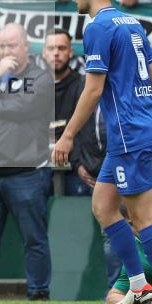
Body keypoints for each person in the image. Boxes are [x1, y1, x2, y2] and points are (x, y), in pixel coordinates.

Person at [52, 0, 152, 304]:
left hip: (128, 133)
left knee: (143, 217)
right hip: (137, 129)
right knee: (104, 206)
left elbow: (92, 91)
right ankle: (140, 288)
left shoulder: (97, 27)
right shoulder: (131, 22)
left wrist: (67, 136)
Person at [0, 22, 54, 301]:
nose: (6, 51)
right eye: (2, 45)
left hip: (24, 172)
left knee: (34, 239)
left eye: (12, 45)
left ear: (26, 46)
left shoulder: (41, 77)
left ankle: (38, 293)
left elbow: (23, 107)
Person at [44, 28, 98, 196]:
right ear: (44, 53)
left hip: (75, 169)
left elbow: (86, 132)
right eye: (51, 49)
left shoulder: (83, 86)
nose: (56, 54)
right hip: (38, 170)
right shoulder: (35, 87)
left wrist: (78, 164)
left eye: (61, 48)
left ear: (70, 52)